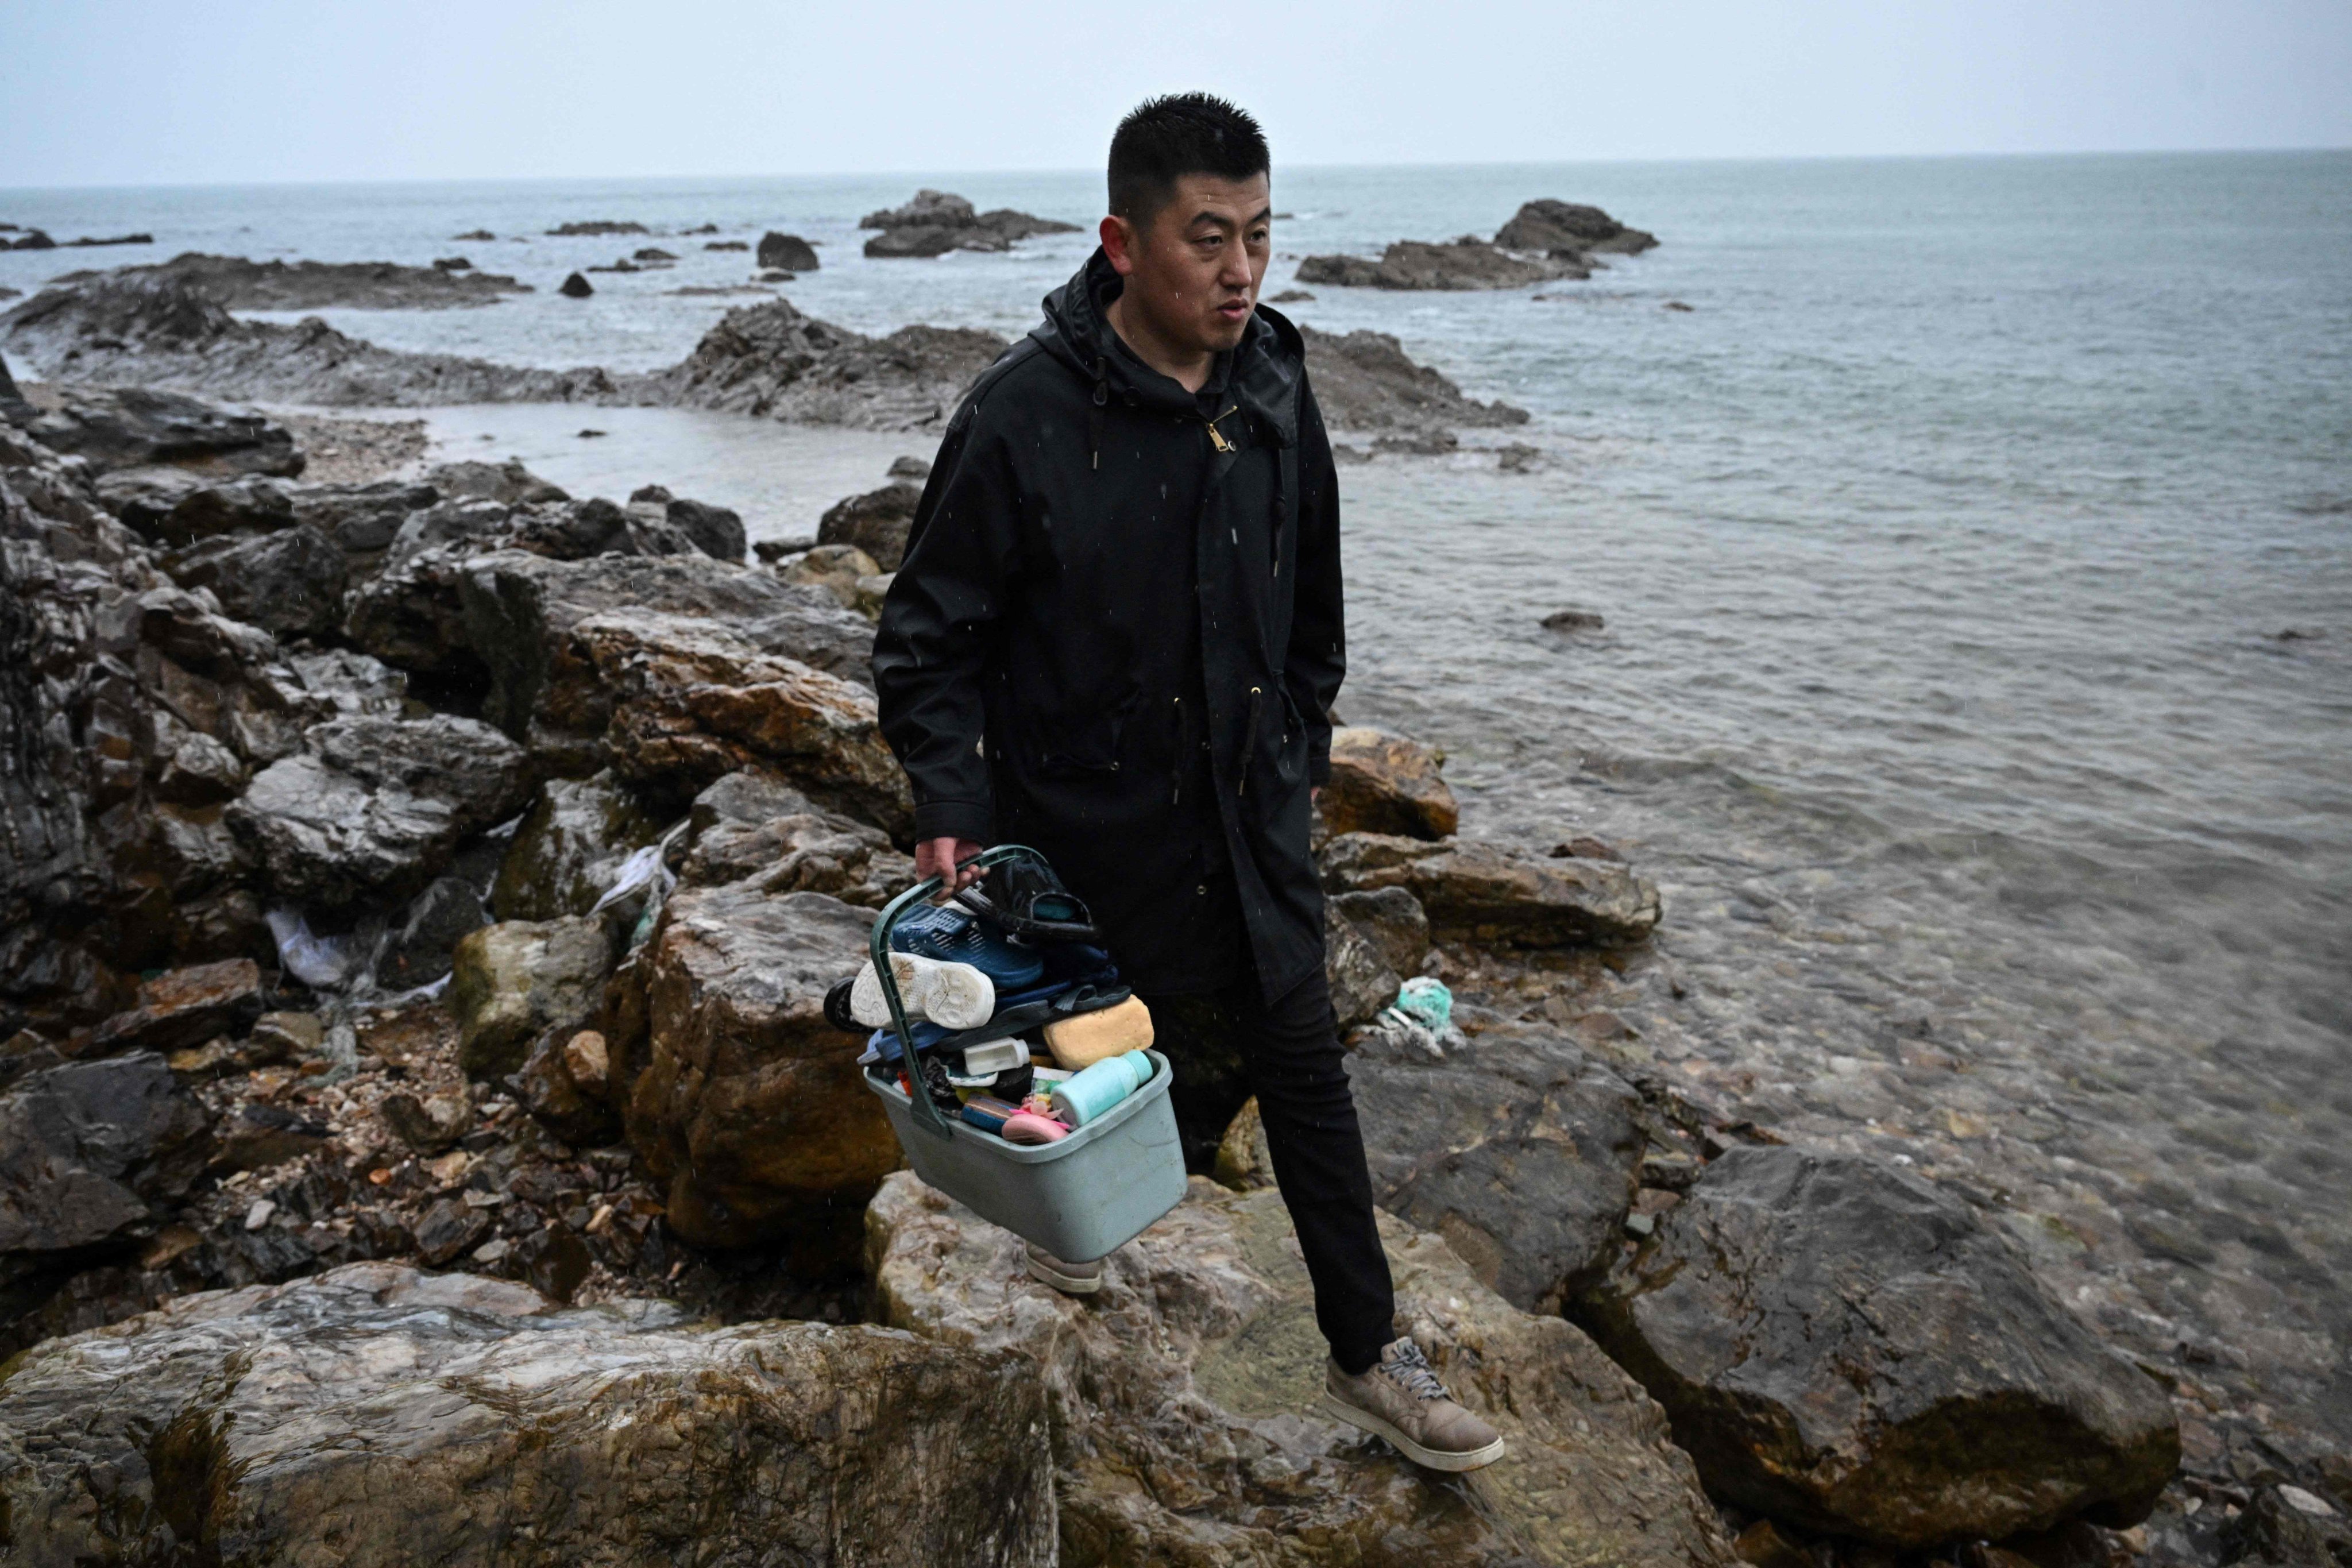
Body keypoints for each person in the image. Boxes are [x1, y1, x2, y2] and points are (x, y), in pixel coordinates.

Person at [871, 93, 1503, 1473]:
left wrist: (1294, 738)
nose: (1239, 271)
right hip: (1082, 838)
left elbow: (1315, 602)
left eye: (1260, 236)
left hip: (1252, 817)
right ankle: (1066, 1242)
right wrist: (949, 807)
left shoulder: (1275, 384)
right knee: (1084, 1069)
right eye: (1206, 239)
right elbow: (926, 639)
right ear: (1119, 243)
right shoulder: (1020, 419)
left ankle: (1367, 1353)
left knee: (1305, 1071)